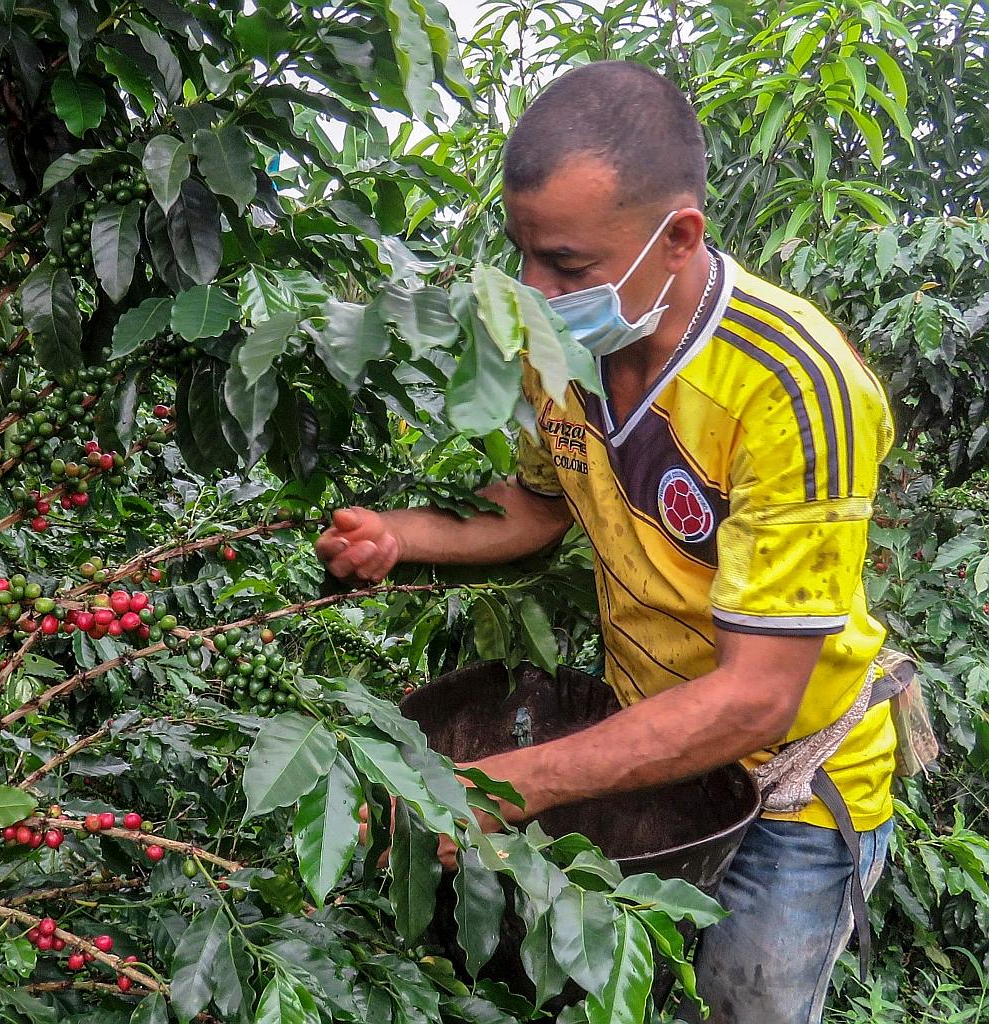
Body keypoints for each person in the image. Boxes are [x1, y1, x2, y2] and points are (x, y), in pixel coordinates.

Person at [316, 62, 896, 1024]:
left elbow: (757, 696)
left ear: (677, 239)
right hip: (654, 737)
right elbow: (540, 508)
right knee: (638, 971)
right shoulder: (563, 359)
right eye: (524, 256)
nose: (536, 291)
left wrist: (523, 779)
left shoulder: (792, 387)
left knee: (746, 1000)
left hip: (791, 777)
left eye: (570, 268)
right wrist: (397, 534)